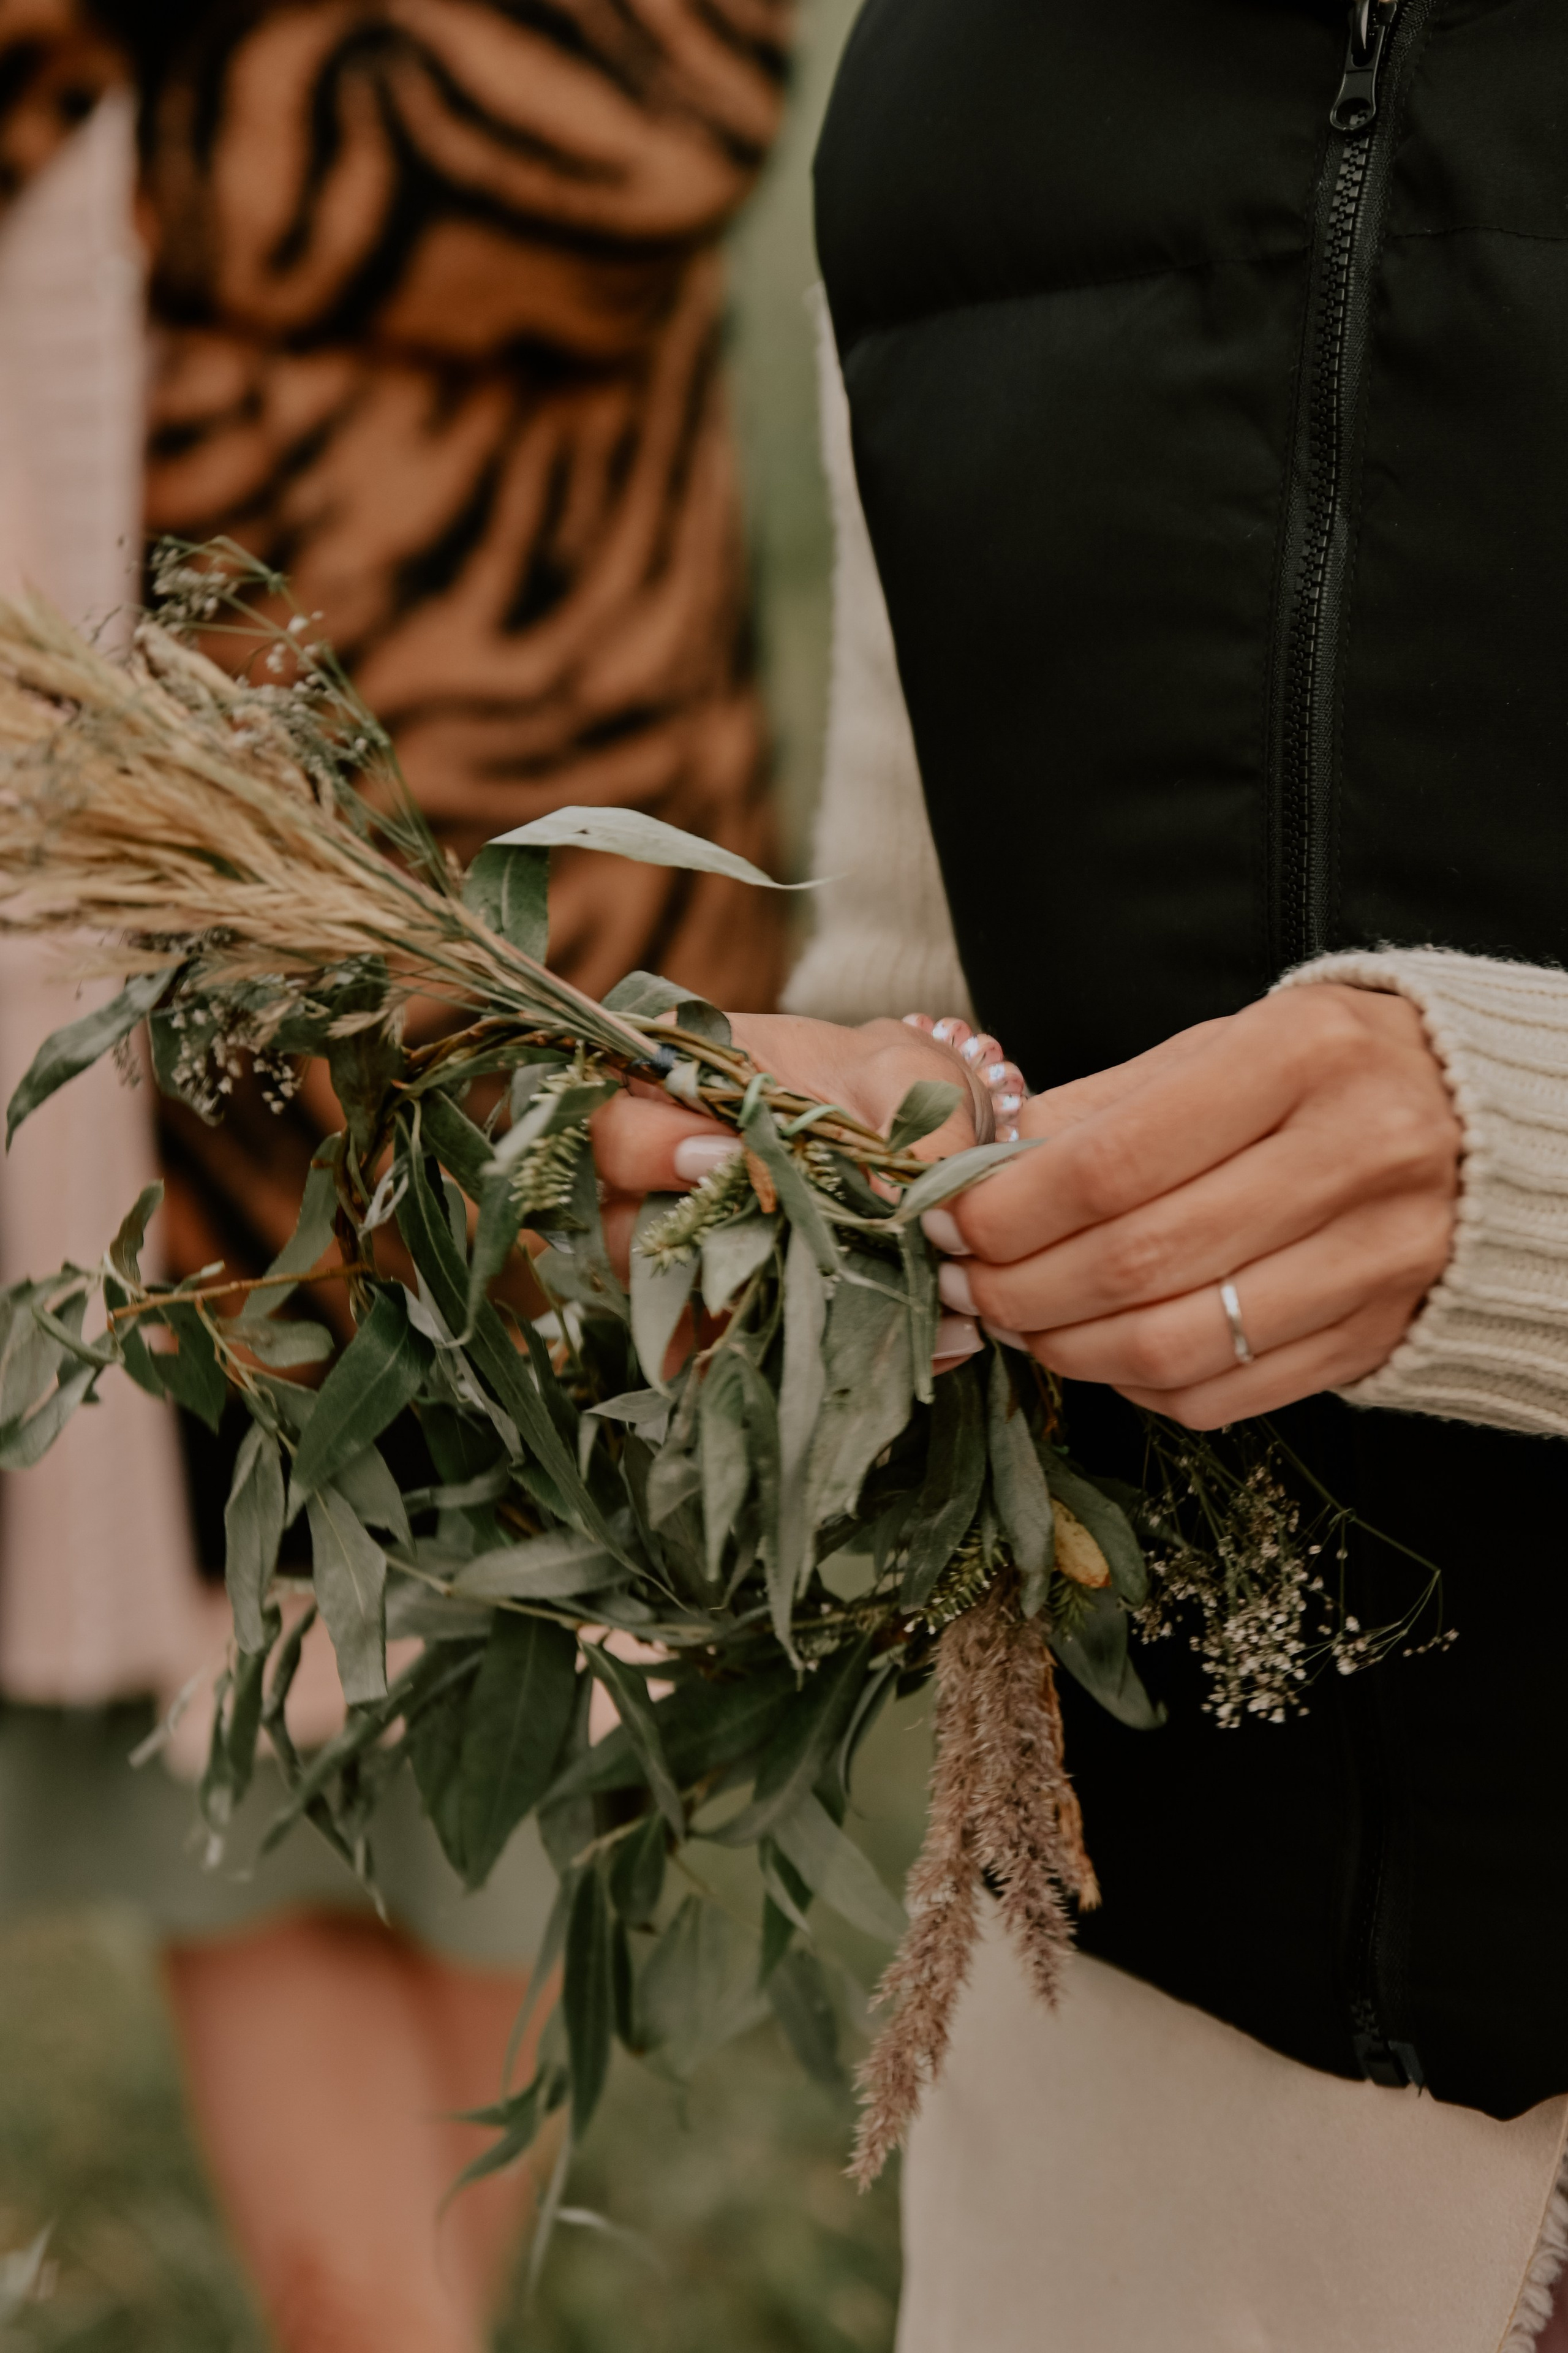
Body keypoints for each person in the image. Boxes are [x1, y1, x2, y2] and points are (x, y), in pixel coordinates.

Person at [591, 1, 1568, 2346]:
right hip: (1142, 2116)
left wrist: (1520, 1163)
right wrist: (818, 1223)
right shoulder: (949, 68)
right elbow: (929, 926)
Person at [0, 4, 789, 2346]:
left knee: (483, 1775)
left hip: (528, 1035)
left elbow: (653, 124)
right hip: (184, 1042)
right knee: (259, 1784)